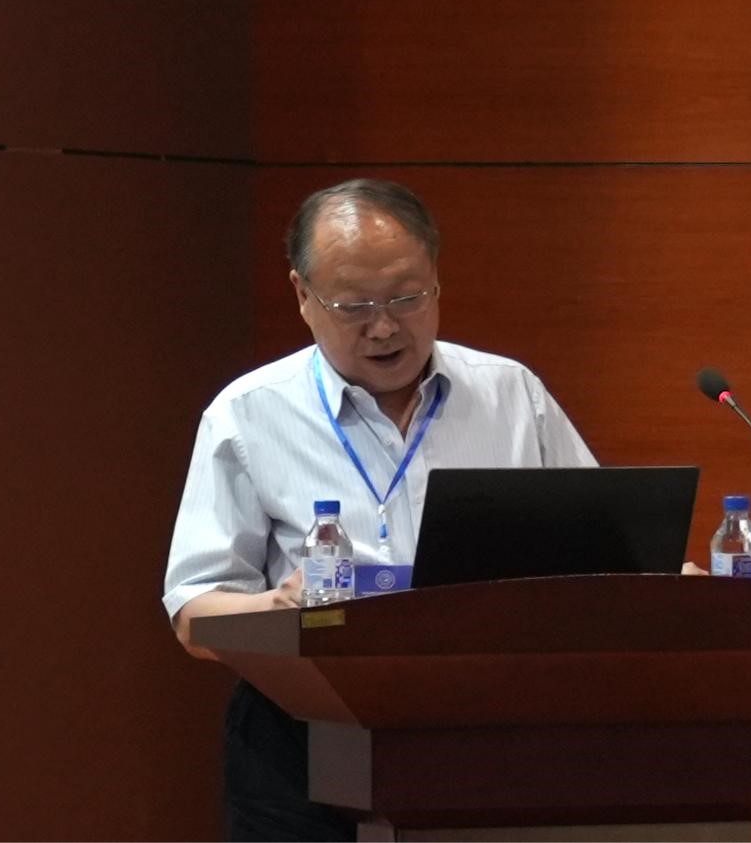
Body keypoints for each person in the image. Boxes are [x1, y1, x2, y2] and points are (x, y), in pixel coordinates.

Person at [161, 178, 663, 842]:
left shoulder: (511, 395)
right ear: (303, 295)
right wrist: (277, 610)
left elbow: (606, 558)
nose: (384, 326)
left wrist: (661, 576)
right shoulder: (248, 414)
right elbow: (193, 614)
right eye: (354, 305)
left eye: (406, 296)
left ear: (437, 279)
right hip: (305, 743)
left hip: (492, 732)